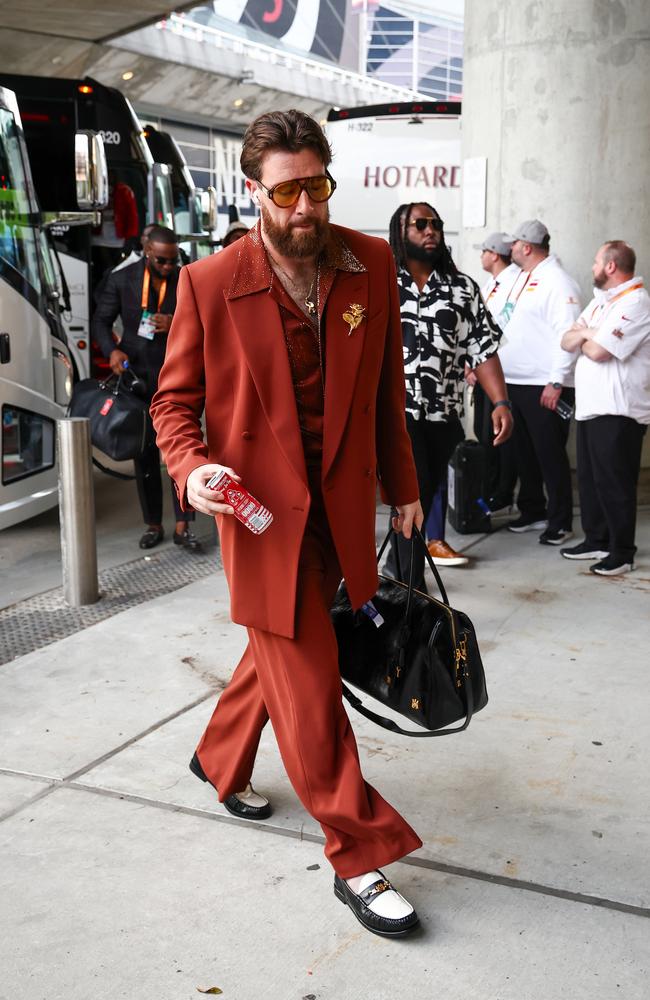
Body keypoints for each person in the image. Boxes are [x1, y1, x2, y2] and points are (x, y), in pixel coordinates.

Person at [150, 110, 425, 938]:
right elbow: (173, 402)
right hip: (261, 521)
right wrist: (192, 467)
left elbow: (384, 390)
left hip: (340, 514)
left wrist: (406, 486)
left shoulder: (370, 263)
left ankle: (219, 756)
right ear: (254, 191)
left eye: (318, 186)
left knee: (275, 651)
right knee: (307, 681)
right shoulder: (210, 282)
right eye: (288, 191)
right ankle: (357, 853)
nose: (307, 207)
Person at [384, 202, 513, 584]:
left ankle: (396, 574)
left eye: (436, 224)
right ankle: (411, 585)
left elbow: (483, 348)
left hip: (444, 416)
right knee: (414, 491)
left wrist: (501, 401)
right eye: (420, 224)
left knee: (421, 495)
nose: (430, 231)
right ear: (400, 232)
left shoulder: (462, 289)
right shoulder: (381, 283)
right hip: (396, 413)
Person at [92, 224, 200, 552]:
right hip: (135, 378)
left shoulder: (187, 278)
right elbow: (100, 321)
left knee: (183, 450)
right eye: (162, 261)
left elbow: (207, 320)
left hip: (177, 377)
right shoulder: (121, 279)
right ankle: (153, 523)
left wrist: (176, 321)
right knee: (145, 455)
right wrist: (112, 352)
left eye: (173, 260)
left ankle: (184, 525)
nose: (169, 266)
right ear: (146, 250)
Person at [559, 240, 650, 575]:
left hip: (619, 411)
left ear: (611, 266)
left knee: (616, 485)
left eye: (597, 261)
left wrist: (585, 336)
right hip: (591, 408)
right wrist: (589, 332)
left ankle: (622, 553)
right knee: (592, 481)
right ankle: (597, 540)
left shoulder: (637, 303)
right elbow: (566, 340)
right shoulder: (600, 304)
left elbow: (599, 352)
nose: (593, 266)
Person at [498, 220, 581, 544]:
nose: (511, 249)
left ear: (527, 247)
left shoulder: (558, 282)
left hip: (544, 384)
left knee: (550, 456)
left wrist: (557, 381)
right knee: (525, 454)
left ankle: (561, 522)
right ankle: (533, 510)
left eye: (515, 243)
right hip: (516, 382)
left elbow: (569, 333)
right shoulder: (525, 277)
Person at [470, 232, 521, 515]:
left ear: (495, 255)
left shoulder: (513, 283)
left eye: (484, 251)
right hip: (481, 370)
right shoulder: (493, 282)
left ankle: (502, 494)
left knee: (499, 436)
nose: (481, 256)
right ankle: (490, 492)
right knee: (483, 433)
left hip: (499, 371)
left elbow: (500, 329)